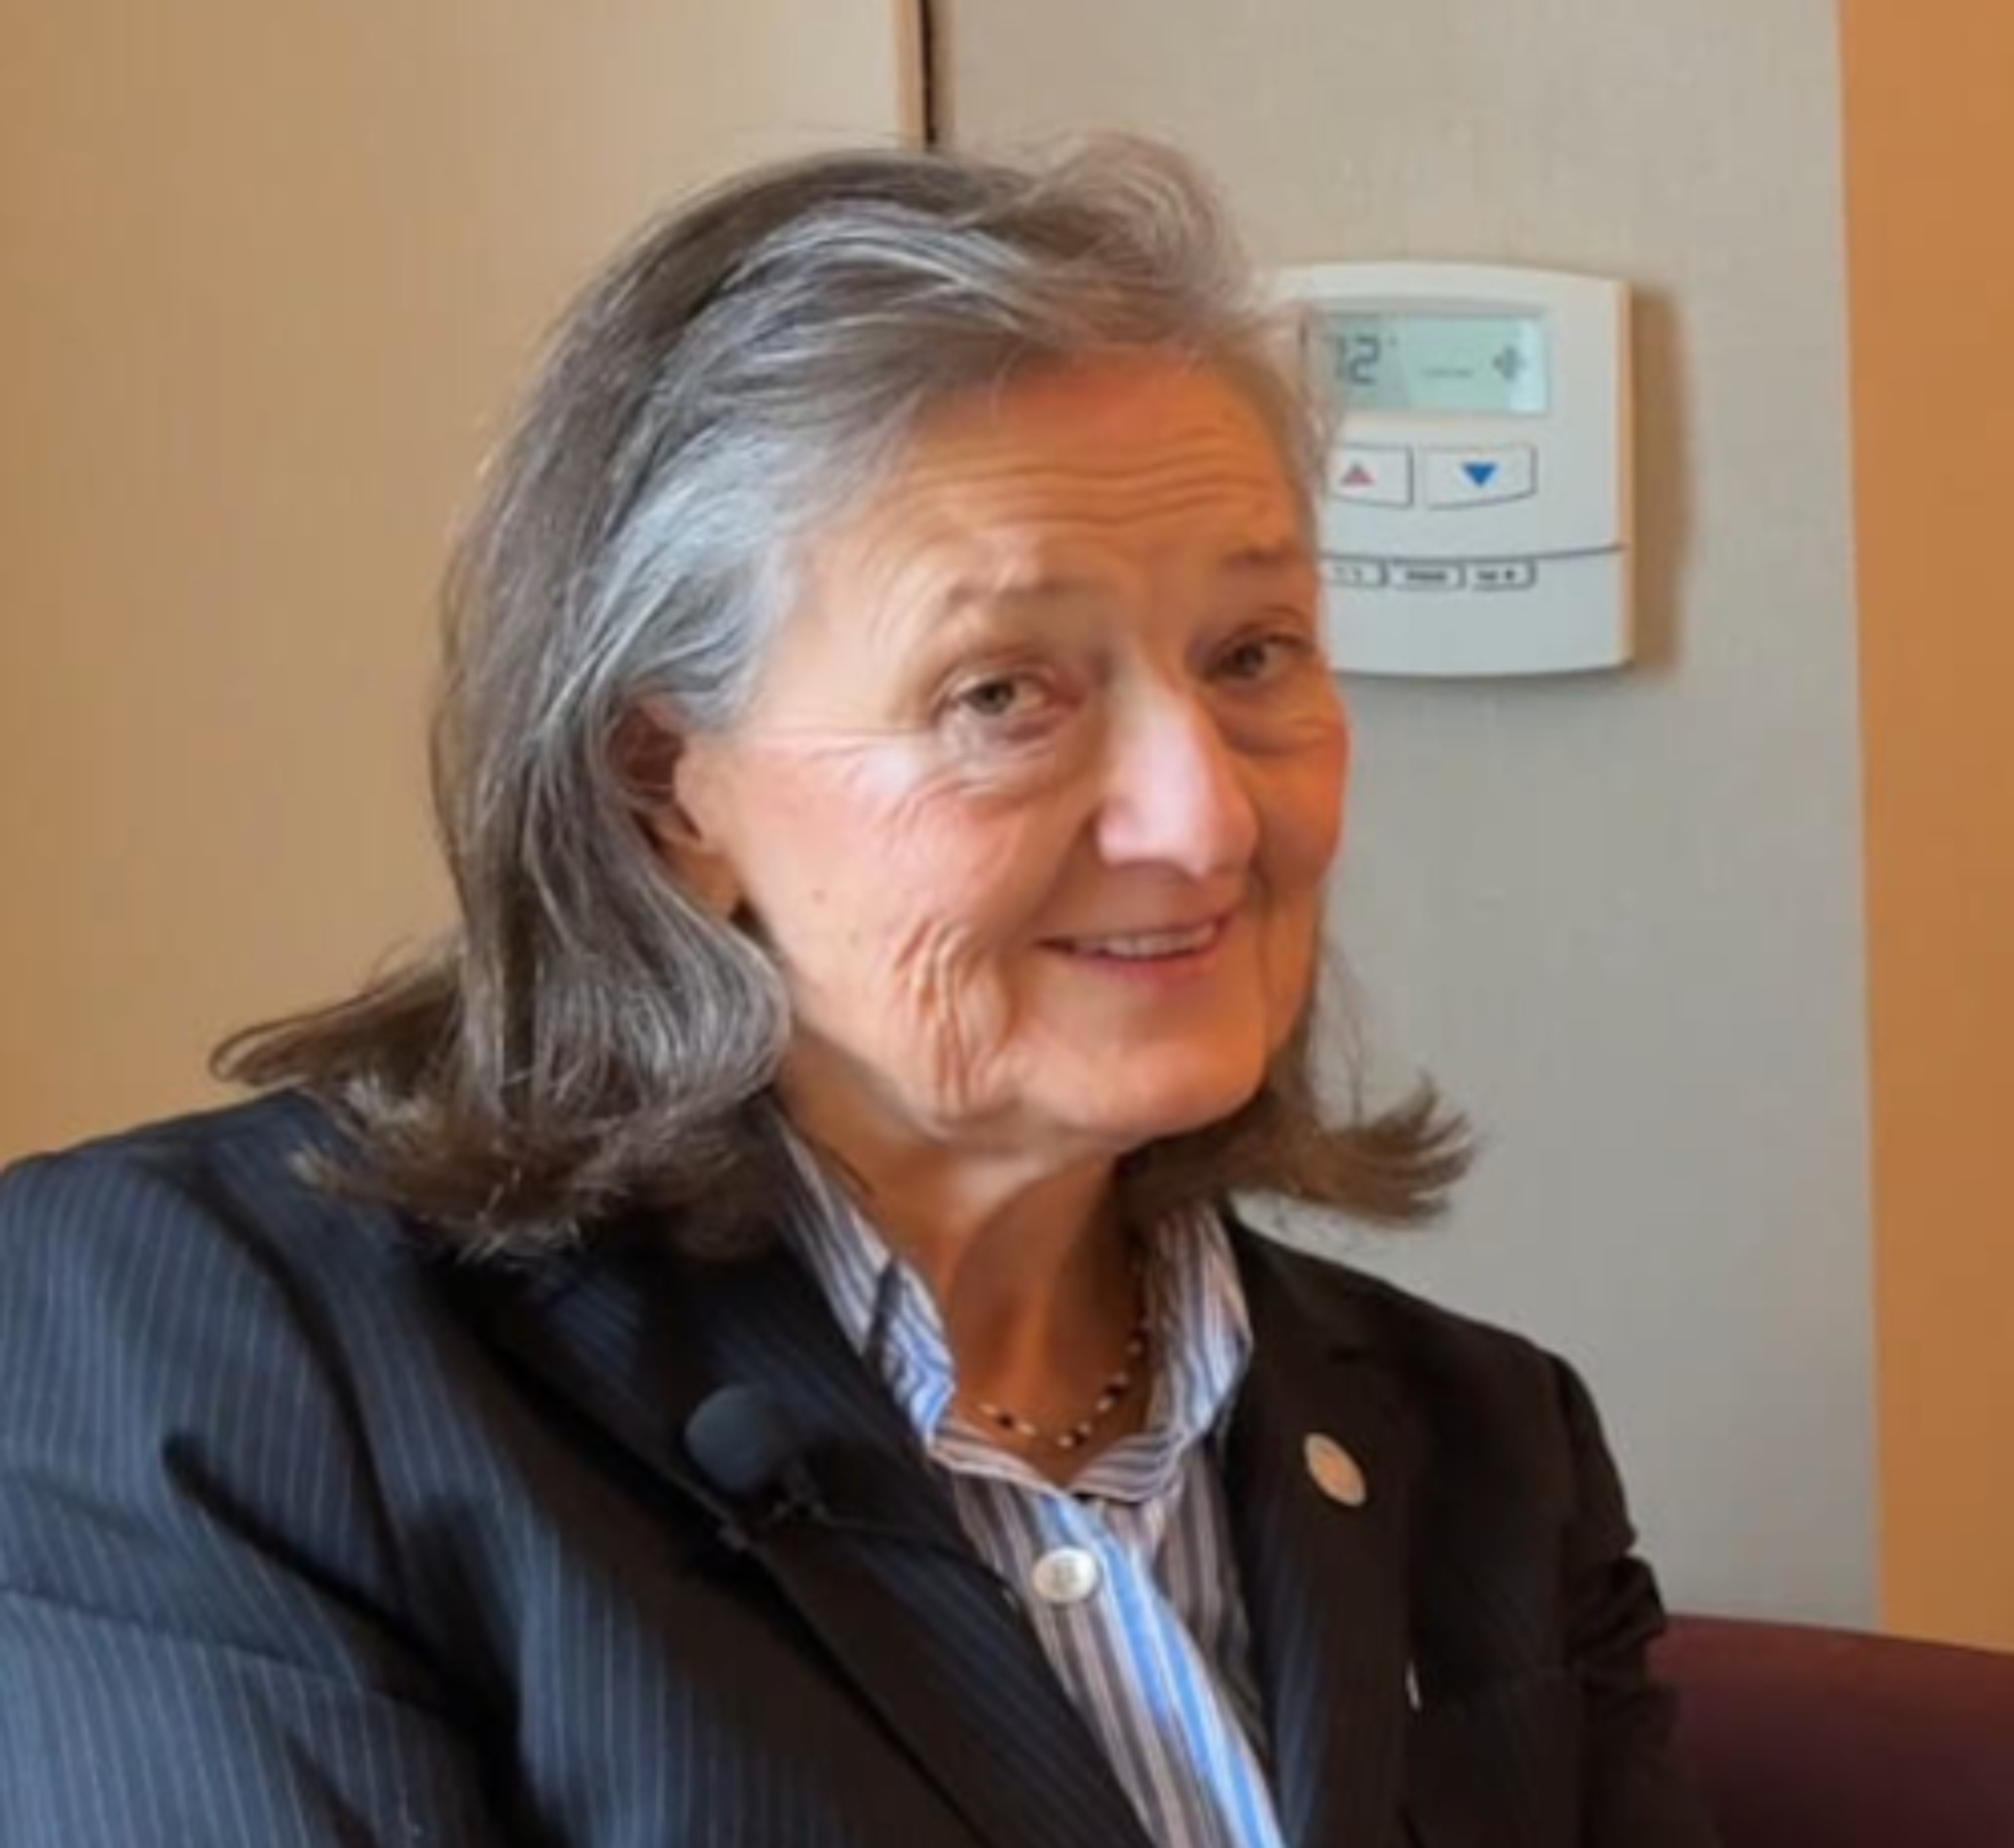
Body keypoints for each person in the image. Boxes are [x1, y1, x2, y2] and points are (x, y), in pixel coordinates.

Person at [0, 138, 1718, 1847]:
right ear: (669, 791)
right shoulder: (206, 1349)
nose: (1205, 821)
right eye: (1002, 693)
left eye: (1251, 655)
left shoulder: (1487, 1454)